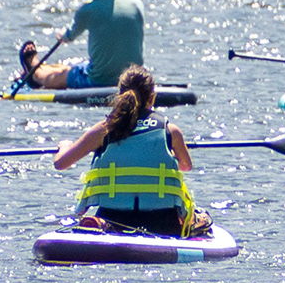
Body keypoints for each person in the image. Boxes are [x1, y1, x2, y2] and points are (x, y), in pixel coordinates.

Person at [50, 65, 212, 236]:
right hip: (164, 222)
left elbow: (60, 163)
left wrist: (65, 146)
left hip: (113, 218)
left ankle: (98, 226)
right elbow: (186, 166)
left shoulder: (103, 130)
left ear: (120, 96)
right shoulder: (171, 132)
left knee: (100, 223)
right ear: (152, 98)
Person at [19, 0, 147, 93]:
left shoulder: (87, 11)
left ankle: (35, 73)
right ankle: (41, 66)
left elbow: (69, 36)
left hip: (99, 80)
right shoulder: (137, 4)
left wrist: (62, 35)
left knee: (62, 76)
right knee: (71, 68)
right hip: (134, 79)